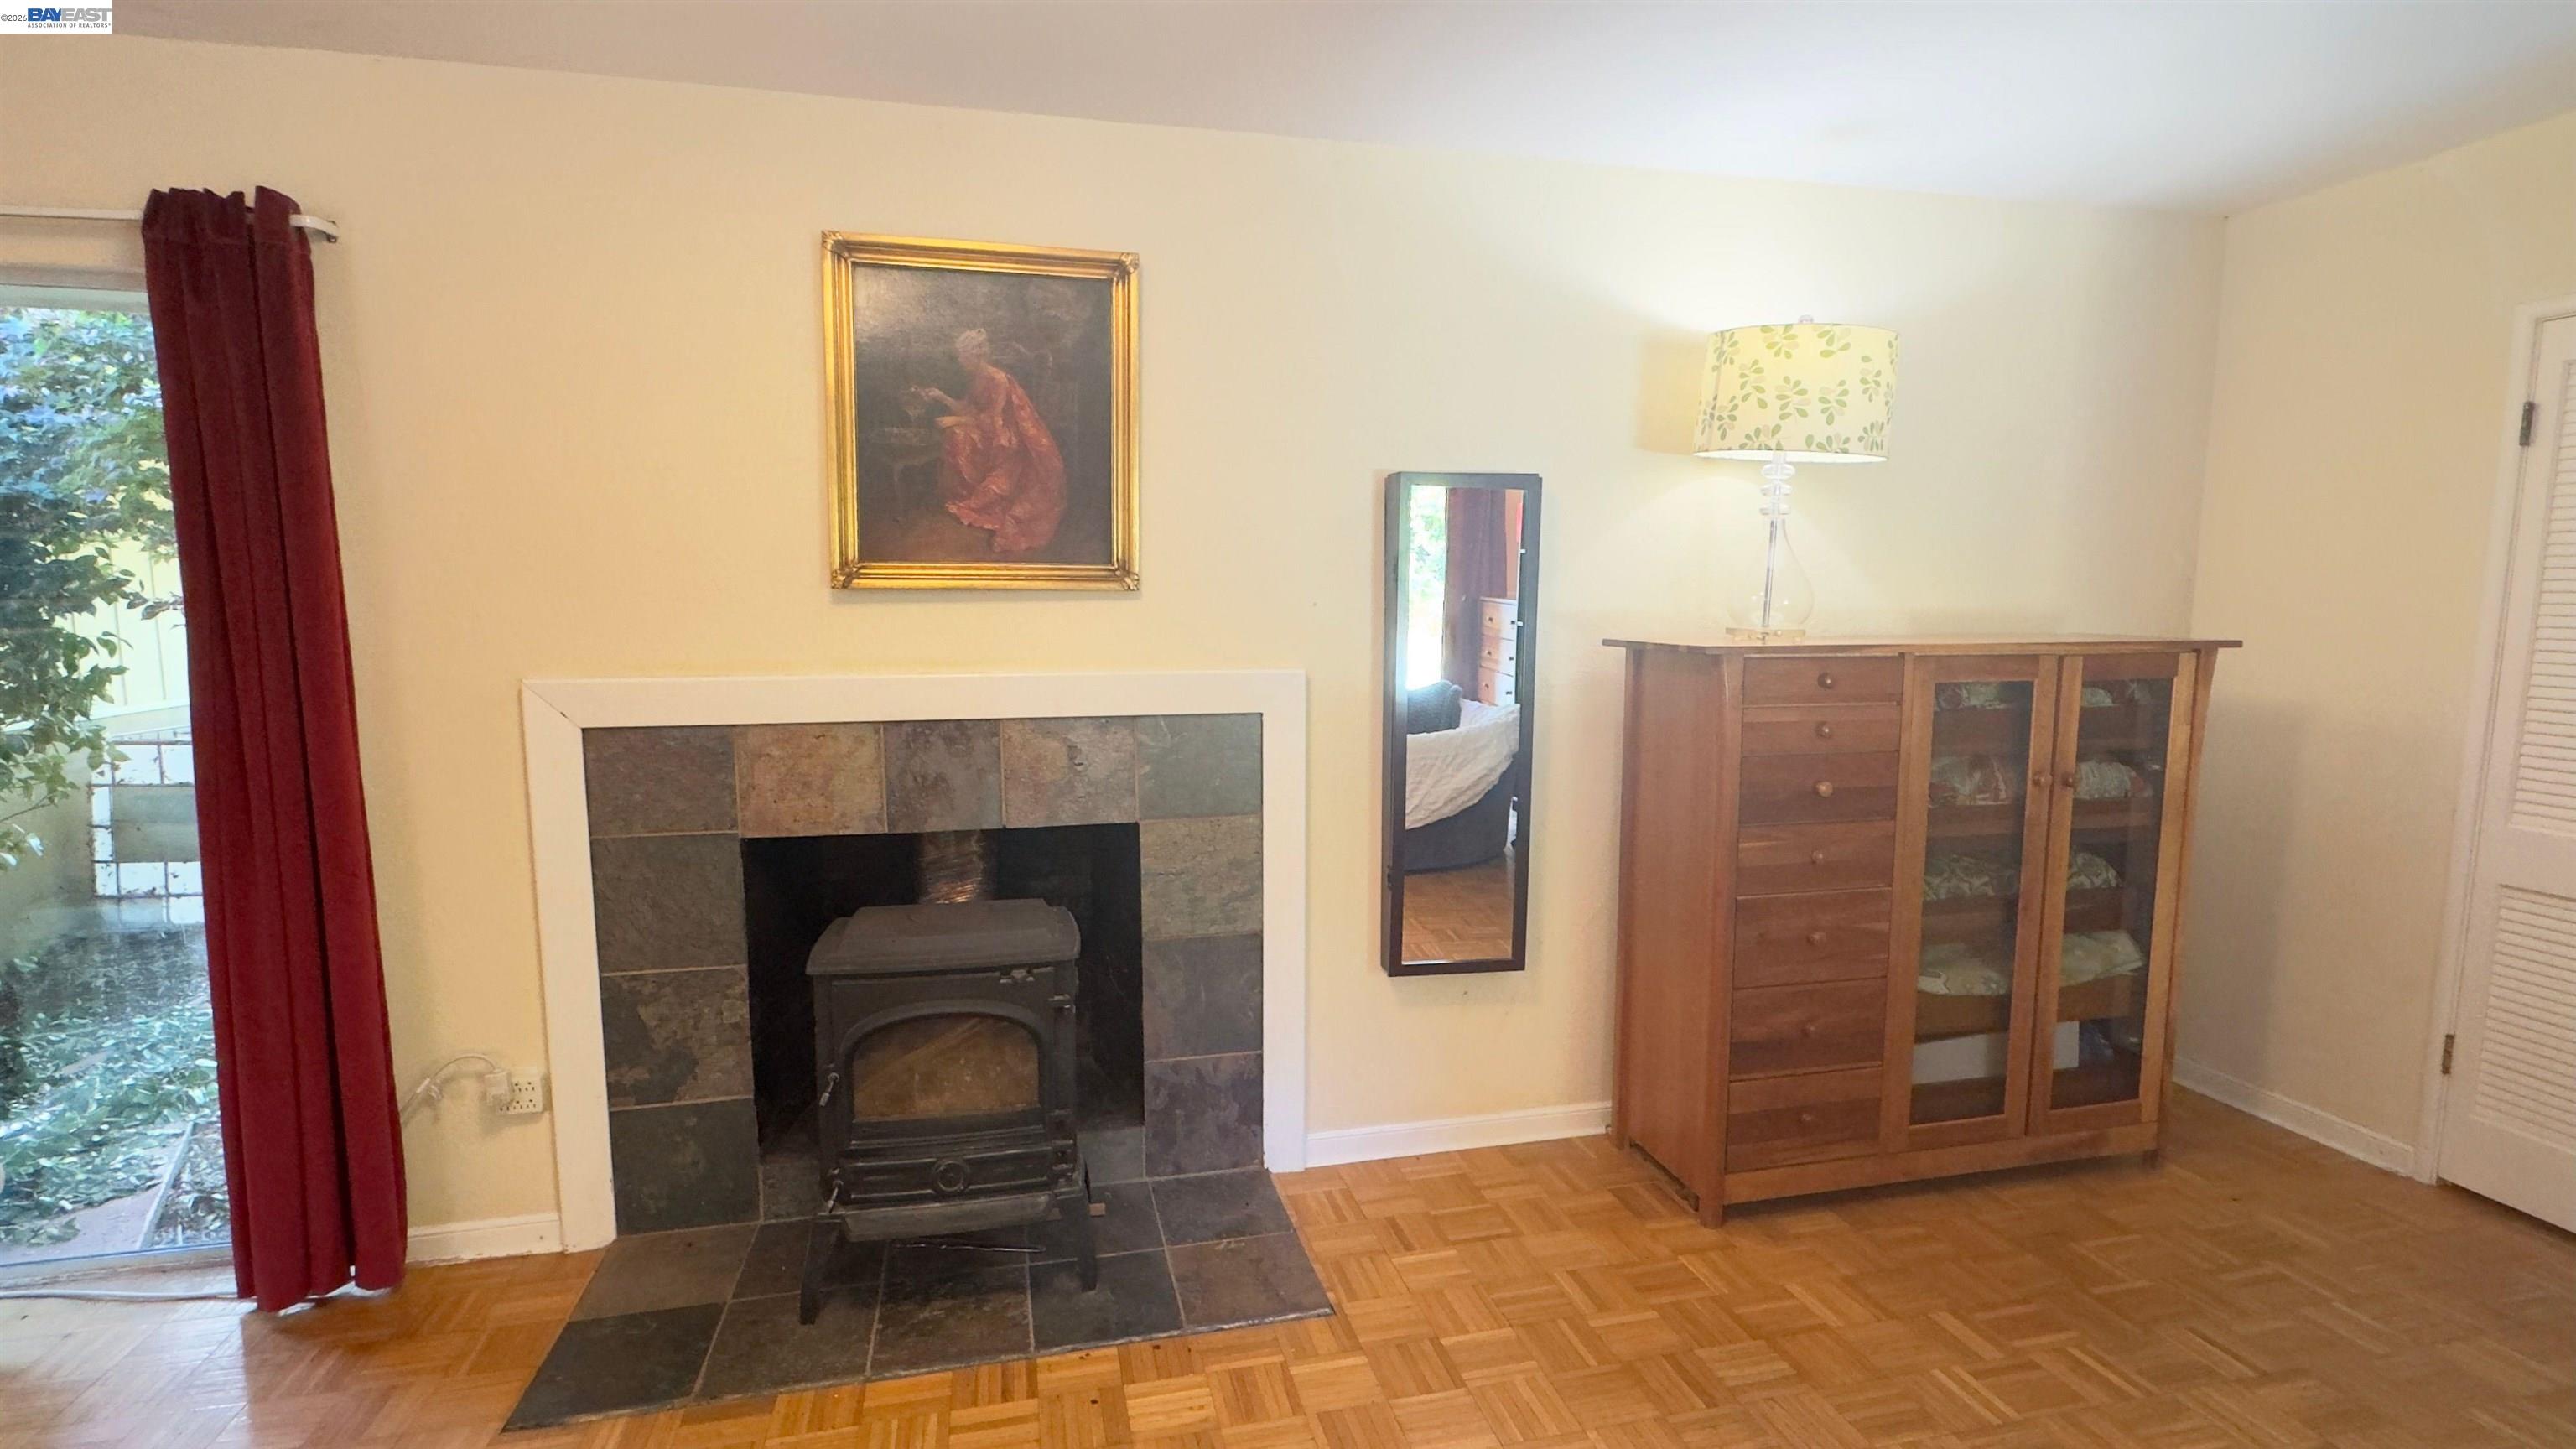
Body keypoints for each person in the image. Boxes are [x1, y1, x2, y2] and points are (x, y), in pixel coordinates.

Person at [903, 329, 1065, 555]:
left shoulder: (998, 379)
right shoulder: (977, 377)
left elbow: (994, 420)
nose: (960, 361)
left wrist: (956, 420)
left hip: (1005, 438)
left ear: (975, 355)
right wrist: (942, 397)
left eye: (962, 356)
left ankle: (973, 497)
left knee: (958, 434)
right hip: (985, 429)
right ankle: (962, 493)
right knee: (957, 433)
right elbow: (969, 409)